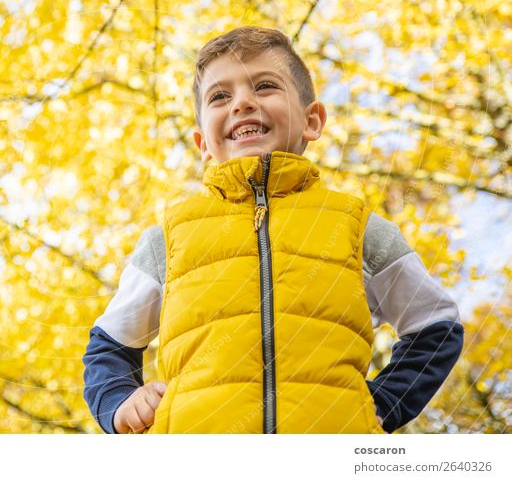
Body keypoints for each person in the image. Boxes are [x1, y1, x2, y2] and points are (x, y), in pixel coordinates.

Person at [82, 26, 464, 434]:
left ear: (311, 121)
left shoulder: (357, 229)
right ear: (202, 143)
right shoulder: (169, 239)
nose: (242, 103)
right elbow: (109, 344)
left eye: (264, 86)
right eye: (219, 96)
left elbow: (436, 325)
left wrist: (385, 402)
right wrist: (120, 401)